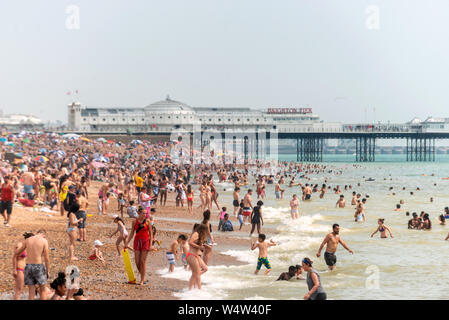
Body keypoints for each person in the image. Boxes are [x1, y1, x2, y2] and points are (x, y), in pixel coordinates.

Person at [14, 229, 50, 300]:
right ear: (44, 235)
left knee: (31, 291)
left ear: (37, 233)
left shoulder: (28, 240)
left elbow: (17, 252)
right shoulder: (44, 241)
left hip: (28, 266)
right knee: (43, 290)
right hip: (38, 266)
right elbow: (47, 258)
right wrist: (47, 271)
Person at [125, 206, 153, 285]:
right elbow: (131, 233)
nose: (145, 215)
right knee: (137, 262)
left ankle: (142, 280)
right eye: (143, 213)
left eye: (146, 213)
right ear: (139, 213)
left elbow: (151, 234)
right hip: (137, 241)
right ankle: (143, 276)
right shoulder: (134, 221)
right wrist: (127, 243)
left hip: (145, 242)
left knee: (142, 261)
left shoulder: (147, 221)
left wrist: (150, 245)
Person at [12, 232, 34, 300]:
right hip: (19, 269)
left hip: (24, 268)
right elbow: (14, 257)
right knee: (18, 289)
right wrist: (14, 269)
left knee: (21, 289)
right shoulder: (20, 245)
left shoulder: (27, 246)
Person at [186, 224, 209, 290]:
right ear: (203, 230)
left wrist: (204, 246)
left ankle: (197, 287)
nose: (207, 232)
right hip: (191, 255)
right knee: (195, 273)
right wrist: (199, 247)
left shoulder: (201, 236)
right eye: (206, 230)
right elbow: (190, 242)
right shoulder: (196, 233)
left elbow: (198, 244)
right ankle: (191, 289)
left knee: (205, 268)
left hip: (196, 255)